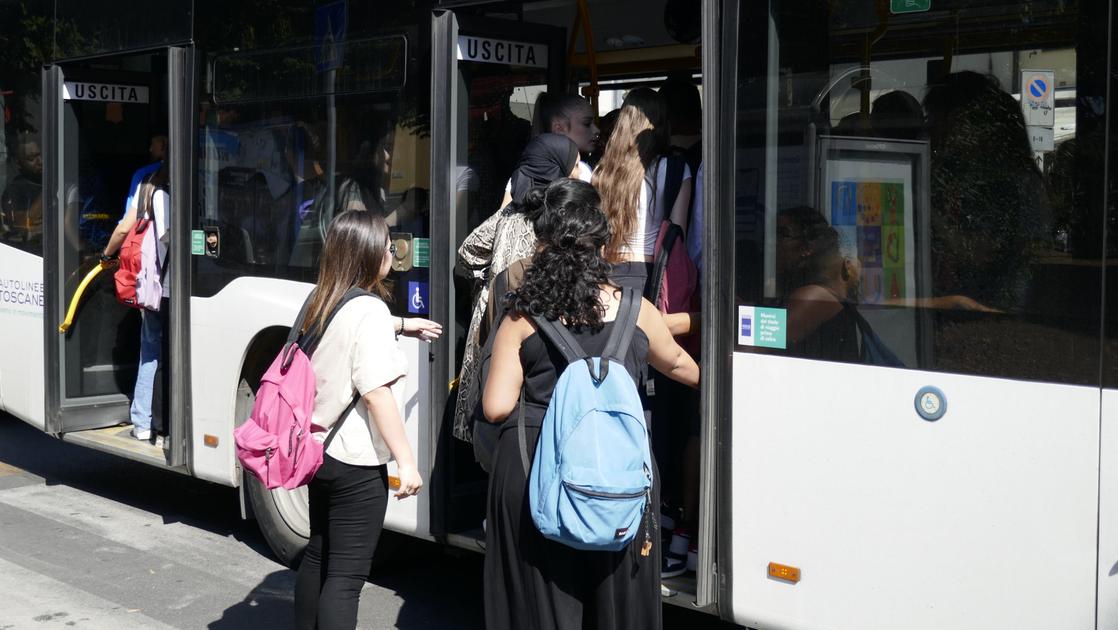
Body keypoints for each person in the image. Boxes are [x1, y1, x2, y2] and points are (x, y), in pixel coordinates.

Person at [481, 179, 700, 630]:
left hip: (535, 470)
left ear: (542, 244)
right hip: (617, 476)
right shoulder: (636, 311)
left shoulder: (520, 316)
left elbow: (497, 407)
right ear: (601, 242)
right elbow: (680, 365)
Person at [294, 210, 442, 630]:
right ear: (367, 254)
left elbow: (350, 326)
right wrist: (406, 462)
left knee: (317, 556)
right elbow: (377, 393)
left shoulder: (320, 298)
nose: (391, 252)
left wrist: (401, 324)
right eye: (386, 245)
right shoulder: (370, 310)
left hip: (319, 452)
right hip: (356, 462)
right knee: (346, 579)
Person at [452, 133, 581, 443]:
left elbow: (468, 252)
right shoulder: (558, 219)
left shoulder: (510, 213)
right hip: (535, 329)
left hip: (495, 319)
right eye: (575, 165)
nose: (579, 171)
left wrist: (489, 281)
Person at [101, 145, 169, 442]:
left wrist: (106, 256)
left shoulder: (148, 184)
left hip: (153, 284)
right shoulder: (196, 181)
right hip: (185, 286)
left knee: (150, 350)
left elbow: (123, 229)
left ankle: (143, 421)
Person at [593, 88, 691, 294]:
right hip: (651, 274)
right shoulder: (674, 168)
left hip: (605, 273)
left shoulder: (603, 170)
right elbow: (677, 233)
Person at [496, 92, 597, 209]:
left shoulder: (586, 171)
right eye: (587, 123)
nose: (596, 130)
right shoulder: (524, 177)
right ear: (558, 128)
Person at [0, 136, 44, 251]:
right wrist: (49, 190)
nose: (39, 161)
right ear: (19, 164)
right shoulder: (15, 189)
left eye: (39, 155)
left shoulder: (57, 181)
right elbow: (24, 223)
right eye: (31, 158)